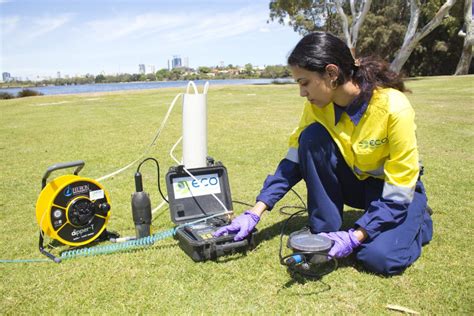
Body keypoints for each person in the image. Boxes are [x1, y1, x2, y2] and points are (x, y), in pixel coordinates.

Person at [213, 32, 433, 276]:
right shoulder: (317, 108)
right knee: (311, 137)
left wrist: (355, 236)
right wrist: (254, 213)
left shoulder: (393, 106)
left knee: (378, 259)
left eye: (304, 82)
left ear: (331, 73)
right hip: (359, 186)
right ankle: (324, 230)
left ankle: (419, 220)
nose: (302, 93)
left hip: (396, 193)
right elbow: (292, 162)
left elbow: (399, 189)